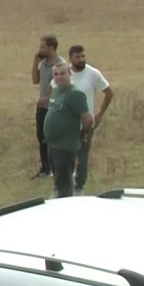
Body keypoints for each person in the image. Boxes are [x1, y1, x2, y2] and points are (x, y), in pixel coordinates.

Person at [66, 45, 114, 195]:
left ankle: (79, 187)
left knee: (82, 157)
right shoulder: (64, 73)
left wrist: (99, 114)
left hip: (86, 124)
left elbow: (109, 92)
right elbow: (54, 90)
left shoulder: (93, 74)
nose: (81, 60)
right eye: (77, 57)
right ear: (70, 58)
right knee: (66, 156)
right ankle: (65, 186)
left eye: (83, 56)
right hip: (68, 124)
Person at [43, 62, 93, 198]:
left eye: (63, 74)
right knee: (57, 179)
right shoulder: (55, 91)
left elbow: (88, 119)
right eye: (56, 74)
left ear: (70, 74)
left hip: (65, 146)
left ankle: (65, 205)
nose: (59, 77)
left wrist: (83, 135)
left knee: (64, 183)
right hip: (53, 144)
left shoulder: (75, 94)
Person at [30, 35, 64, 179]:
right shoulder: (43, 63)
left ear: (51, 47)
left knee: (53, 137)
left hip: (55, 106)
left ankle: (57, 167)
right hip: (42, 106)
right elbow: (35, 80)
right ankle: (45, 168)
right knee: (41, 136)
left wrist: (48, 99)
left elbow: (62, 87)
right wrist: (35, 61)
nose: (40, 50)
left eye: (42, 47)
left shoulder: (60, 64)